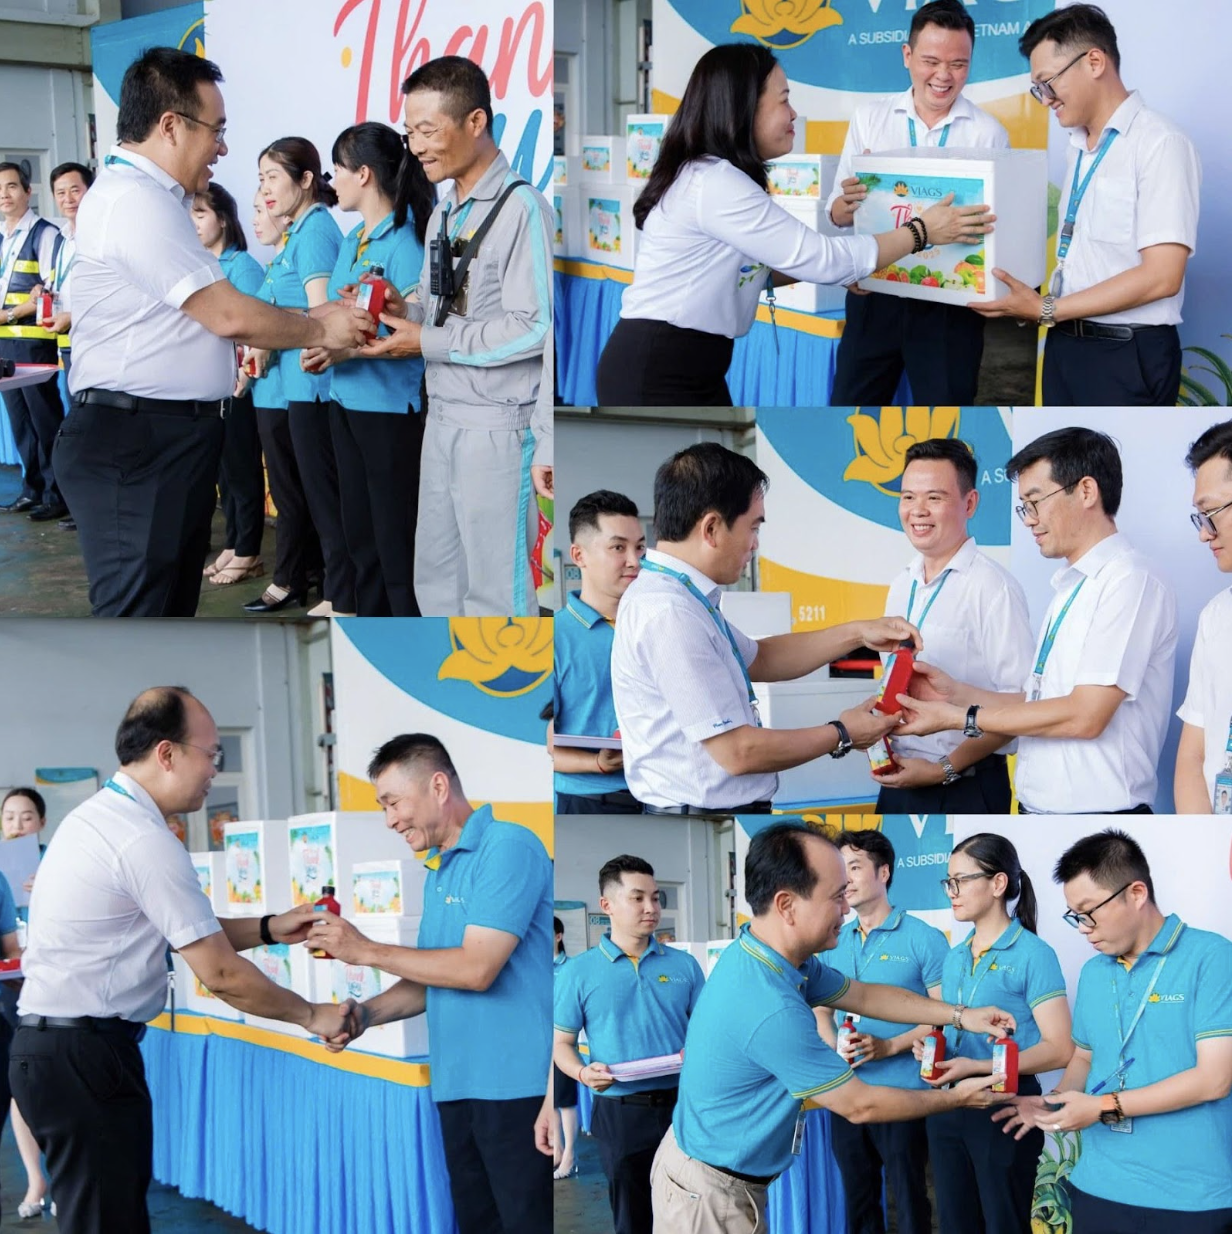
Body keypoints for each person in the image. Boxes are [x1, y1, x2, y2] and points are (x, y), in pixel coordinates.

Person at [7, 686, 351, 1234]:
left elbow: (175, 932)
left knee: (100, 1215)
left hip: (53, 1049)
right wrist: (314, 1014)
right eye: (211, 754)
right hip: (85, 1055)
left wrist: (269, 927)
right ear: (166, 754)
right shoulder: (142, 839)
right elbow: (220, 973)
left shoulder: (95, 820)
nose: (215, 769)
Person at [54, 47, 370, 618]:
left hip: (160, 437)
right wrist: (324, 329)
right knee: (139, 625)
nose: (222, 149)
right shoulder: (135, 201)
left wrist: (324, 320)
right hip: (137, 441)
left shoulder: (150, 201)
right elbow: (228, 316)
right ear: (170, 126)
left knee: (167, 618)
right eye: (216, 130)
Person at [650, 823, 1015, 1234]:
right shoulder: (768, 1002)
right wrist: (959, 1097)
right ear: (787, 905)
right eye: (836, 896)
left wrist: (961, 1015)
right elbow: (860, 1105)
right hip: (709, 1196)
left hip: (716, 1178)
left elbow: (863, 995)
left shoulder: (781, 959)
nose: (846, 907)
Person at [593, 42, 995, 407]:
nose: (793, 114)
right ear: (744, 107)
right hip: (661, 368)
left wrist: (852, 269)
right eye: (784, 100)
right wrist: (921, 231)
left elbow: (750, 269)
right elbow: (822, 258)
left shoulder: (708, 175)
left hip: (686, 363)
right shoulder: (716, 182)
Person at [307, 733, 553, 1234]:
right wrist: (365, 1016)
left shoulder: (508, 847)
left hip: (515, 1090)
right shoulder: (439, 868)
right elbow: (434, 976)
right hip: (456, 1085)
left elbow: (476, 969)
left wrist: (365, 950)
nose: (390, 820)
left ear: (438, 786)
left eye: (393, 802)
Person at [610, 442, 911, 814]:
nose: (754, 544)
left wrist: (859, 633)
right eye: (753, 527)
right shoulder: (669, 611)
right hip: (702, 812)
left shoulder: (683, 596)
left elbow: (762, 658)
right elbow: (738, 752)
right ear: (711, 528)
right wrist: (844, 732)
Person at [895, 427, 1177, 813]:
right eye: (1024, 507)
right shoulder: (1071, 585)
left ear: (1086, 491)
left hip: (1099, 814)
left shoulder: (1130, 580)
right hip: (1038, 809)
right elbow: (1036, 702)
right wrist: (953, 692)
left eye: (1035, 502)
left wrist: (958, 716)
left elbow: (1086, 715)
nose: (1029, 520)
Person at [364, 55, 555, 617]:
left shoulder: (523, 209)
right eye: (409, 132)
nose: (416, 147)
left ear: (475, 122)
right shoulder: (444, 211)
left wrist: (426, 341)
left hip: (498, 430)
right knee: (438, 583)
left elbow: (535, 327)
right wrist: (404, 308)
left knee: (497, 596)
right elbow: (438, 305)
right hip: (442, 419)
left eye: (428, 131)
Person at [997, 829, 1232, 1233]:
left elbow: (1215, 1079)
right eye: (1075, 915)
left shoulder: (1212, 957)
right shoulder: (1094, 971)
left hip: (1191, 1197)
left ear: (1136, 893)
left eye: (1089, 911)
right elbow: (1085, 1057)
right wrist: (1054, 1101)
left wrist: (1103, 1106)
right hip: (1098, 1187)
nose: (1083, 928)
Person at [970, 4, 1201, 406]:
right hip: (1063, 344)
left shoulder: (1160, 144)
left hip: (1126, 353)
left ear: (1094, 61)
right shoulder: (1077, 147)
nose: (1045, 99)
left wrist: (1046, 308)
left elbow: (1163, 276)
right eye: (1037, 89)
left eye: (1047, 83)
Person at [828, 0, 1009, 405]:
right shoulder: (869, 118)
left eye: (958, 64)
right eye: (931, 61)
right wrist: (848, 204)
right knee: (851, 405)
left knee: (947, 409)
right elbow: (837, 213)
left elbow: (995, 229)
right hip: (875, 291)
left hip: (949, 305)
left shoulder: (988, 134)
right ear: (907, 55)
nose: (944, 76)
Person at [302, 122, 436, 617]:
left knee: (395, 542)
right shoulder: (354, 238)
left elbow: (410, 335)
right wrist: (316, 339)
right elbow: (339, 313)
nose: (331, 180)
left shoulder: (407, 242)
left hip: (388, 412)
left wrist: (344, 351)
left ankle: (407, 638)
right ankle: (374, 631)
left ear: (363, 174)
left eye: (337, 169)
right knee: (361, 538)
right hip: (345, 403)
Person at [872, 438, 1034, 813]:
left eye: (934, 497)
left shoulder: (993, 587)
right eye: (908, 497)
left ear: (970, 503)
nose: (918, 511)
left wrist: (942, 769)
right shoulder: (902, 584)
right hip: (898, 775)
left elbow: (1023, 707)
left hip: (966, 783)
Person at [922, 833, 1073, 1234]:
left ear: (998, 883)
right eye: (949, 882)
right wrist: (931, 1049)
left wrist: (977, 1065)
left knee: (1004, 1222)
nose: (952, 892)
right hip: (949, 1105)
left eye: (961, 880)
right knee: (953, 1223)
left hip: (1005, 1106)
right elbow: (950, 1026)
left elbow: (1060, 1048)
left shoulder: (1033, 954)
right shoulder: (954, 956)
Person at [554, 856, 704, 1234]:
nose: (651, 908)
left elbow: (706, 1031)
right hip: (620, 1112)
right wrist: (582, 1073)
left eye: (655, 897)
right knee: (633, 1218)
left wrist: (700, 1050)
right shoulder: (578, 972)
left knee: (691, 1215)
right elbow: (561, 1044)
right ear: (607, 905)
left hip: (683, 1107)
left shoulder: (685, 966)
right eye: (637, 898)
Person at [817, 830, 949, 1234]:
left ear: (884, 872)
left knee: (909, 1202)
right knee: (858, 1203)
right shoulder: (833, 940)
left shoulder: (923, 938)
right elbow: (821, 1011)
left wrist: (889, 1046)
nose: (847, 879)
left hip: (905, 1096)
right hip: (847, 1093)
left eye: (855, 867)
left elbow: (944, 1016)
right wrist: (834, 1048)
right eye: (842, 870)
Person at [250, 136, 350, 618]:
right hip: (297, 386)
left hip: (315, 386)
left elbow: (321, 317)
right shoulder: (299, 231)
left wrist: (267, 325)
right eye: (261, 179)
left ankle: (339, 592)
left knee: (325, 498)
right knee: (310, 494)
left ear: (306, 179)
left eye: (273, 177)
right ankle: (327, 585)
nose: (265, 189)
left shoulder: (314, 233)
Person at [243, 190, 322, 614]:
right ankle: (302, 571)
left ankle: (291, 576)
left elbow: (316, 314)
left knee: (294, 492)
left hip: (291, 389)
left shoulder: (309, 242)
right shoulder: (275, 265)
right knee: (288, 489)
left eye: (263, 207)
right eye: (256, 208)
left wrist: (269, 334)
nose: (259, 216)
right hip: (272, 389)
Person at [191, 182, 266, 587]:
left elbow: (256, 328)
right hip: (215, 385)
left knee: (242, 470)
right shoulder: (206, 266)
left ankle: (249, 551)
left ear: (222, 219)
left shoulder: (242, 266)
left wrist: (244, 376)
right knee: (226, 473)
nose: (194, 222)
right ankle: (234, 544)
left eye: (200, 214)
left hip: (241, 385)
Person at [553, 491, 646, 814]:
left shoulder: (658, 626)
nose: (634, 561)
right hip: (589, 802)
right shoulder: (554, 636)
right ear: (579, 555)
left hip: (665, 795)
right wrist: (597, 763)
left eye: (639, 547)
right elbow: (539, 745)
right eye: (618, 547)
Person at [0, 160, 66, 523]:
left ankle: (57, 494)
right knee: (20, 421)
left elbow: (49, 291)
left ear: (28, 191)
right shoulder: (2, 237)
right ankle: (33, 488)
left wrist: (15, 312)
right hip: (4, 344)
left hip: (33, 342)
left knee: (44, 419)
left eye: (11, 186)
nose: (4, 195)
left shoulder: (44, 234)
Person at [1176, 419, 1232, 813]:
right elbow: (1192, 757)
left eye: (1211, 512)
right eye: (1200, 516)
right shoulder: (1216, 616)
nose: (1204, 533)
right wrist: (1204, 837)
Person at [46, 162, 93, 534]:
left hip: (93, 342)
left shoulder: (99, 234)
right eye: (60, 193)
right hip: (68, 344)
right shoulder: (63, 237)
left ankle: (92, 509)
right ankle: (82, 507)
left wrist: (73, 316)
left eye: (75, 190)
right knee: (76, 426)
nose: (68, 199)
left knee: (91, 427)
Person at [551, 916, 579, 1182]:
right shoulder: (537, 968)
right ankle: (557, 1150)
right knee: (550, 1100)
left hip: (562, 1044)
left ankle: (570, 1155)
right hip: (539, 1043)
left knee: (565, 1100)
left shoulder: (572, 968)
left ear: (558, 936)